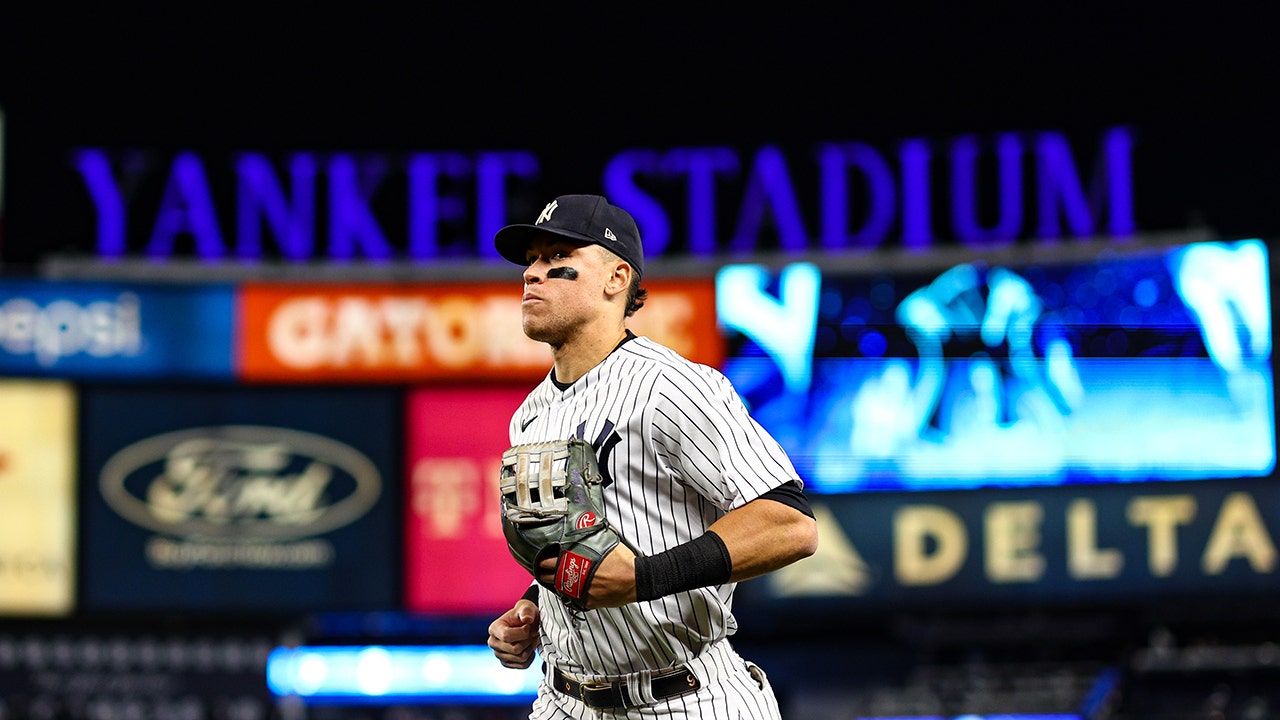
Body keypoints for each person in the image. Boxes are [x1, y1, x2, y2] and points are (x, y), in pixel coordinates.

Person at [486, 194, 819, 719]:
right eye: (531, 260)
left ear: (617, 278)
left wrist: (644, 578)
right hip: (563, 699)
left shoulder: (671, 386)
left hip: (684, 695)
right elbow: (576, 542)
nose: (532, 274)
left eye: (556, 259)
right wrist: (534, 605)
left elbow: (790, 525)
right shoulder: (530, 414)